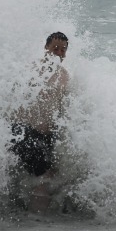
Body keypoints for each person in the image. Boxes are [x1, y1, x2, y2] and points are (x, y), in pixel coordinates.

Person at [8, 32, 70, 211]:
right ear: (46, 48)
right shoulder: (31, 69)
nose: (58, 52)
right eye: (55, 48)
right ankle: (36, 220)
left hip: (47, 135)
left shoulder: (64, 76)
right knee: (44, 176)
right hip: (25, 132)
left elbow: (62, 109)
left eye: (63, 50)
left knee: (48, 176)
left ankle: (36, 220)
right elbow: (17, 100)